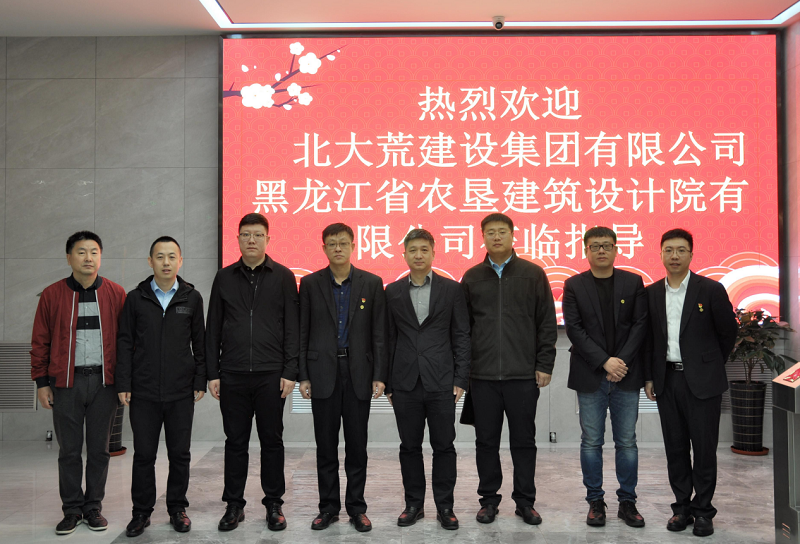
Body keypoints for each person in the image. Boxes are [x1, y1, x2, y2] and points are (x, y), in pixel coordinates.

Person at [460, 213, 558, 526]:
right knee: (486, 442)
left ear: (513, 235)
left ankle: (525, 502)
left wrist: (544, 364)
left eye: (502, 231)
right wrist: (464, 372)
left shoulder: (533, 274)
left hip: (522, 375)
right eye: (490, 232)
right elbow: (463, 329)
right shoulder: (472, 277)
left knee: (524, 442)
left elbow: (546, 322)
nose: (496, 237)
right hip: (483, 376)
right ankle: (488, 501)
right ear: (483, 237)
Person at [206, 213, 300, 532]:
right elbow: (213, 327)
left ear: (267, 239)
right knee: (235, 441)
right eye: (245, 234)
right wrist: (213, 372)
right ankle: (234, 505)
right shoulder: (224, 277)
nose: (251, 240)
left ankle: (274, 503)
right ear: (237, 239)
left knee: (272, 440)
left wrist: (290, 370)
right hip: (232, 373)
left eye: (258, 235)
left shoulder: (283, 276)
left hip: (271, 374)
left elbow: (292, 328)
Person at [30, 231, 127, 535]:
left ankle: (93, 507)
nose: (88, 258)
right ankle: (72, 510)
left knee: (99, 450)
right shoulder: (52, 295)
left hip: (104, 383)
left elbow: (127, 342)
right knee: (69, 451)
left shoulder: (116, 293)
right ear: (69, 257)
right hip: (66, 383)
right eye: (81, 252)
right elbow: (40, 341)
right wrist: (42, 382)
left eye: (94, 252)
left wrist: (125, 381)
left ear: (101, 257)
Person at [644, 228, 737, 537]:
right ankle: (682, 508)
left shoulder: (710, 289)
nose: (674, 256)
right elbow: (649, 340)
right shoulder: (651, 293)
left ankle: (703, 511)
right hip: (667, 380)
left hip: (703, 383)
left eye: (681, 250)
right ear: (660, 254)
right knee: (675, 448)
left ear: (691, 254)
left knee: (705, 448)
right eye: (669, 250)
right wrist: (649, 376)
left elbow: (727, 333)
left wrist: (707, 365)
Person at [297, 223, 387, 533]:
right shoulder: (310, 283)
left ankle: (357, 508)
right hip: (321, 372)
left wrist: (379, 374)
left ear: (353, 246)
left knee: (357, 446)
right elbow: (303, 331)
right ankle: (328, 508)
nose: (338, 248)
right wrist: (303, 375)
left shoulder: (371, 283)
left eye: (343, 243)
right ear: (323, 248)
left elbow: (379, 333)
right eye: (332, 243)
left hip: (358, 372)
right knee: (325, 446)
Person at [115, 236, 206, 537]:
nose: (166, 262)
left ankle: (177, 508)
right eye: (160, 256)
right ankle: (141, 512)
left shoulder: (192, 298)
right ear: (150, 261)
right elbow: (125, 342)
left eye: (171, 257)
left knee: (180, 454)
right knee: (144, 455)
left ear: (180, 261)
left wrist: (200, 379)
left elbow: (200, 343)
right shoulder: (135, 298)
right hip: (143, 391)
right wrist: (124, 382)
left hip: (181, 392)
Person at [562, 226, 648, 528]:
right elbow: (574, 329)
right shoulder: (574, 285)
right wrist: (604, 362)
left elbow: (640, 325)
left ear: (616, 249)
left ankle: (628, 502)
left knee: (627, 441)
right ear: (585, 250)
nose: (601, 250)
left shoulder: (633, 282)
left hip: (626, 373)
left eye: (607, 245)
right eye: (595, 246)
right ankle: (595, 501)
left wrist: (619, 362)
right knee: (591, 441)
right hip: (590, 374)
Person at [385, 229, 471, 530]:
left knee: (444, 446)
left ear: (433, 253)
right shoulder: (392, 291)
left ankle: (445, 506)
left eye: (424, 249)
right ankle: (414, 505)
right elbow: (387, 339)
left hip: (442, 381)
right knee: (409, 446)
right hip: (404, 382)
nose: (418, 255)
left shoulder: (452, 290)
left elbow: (461, 335)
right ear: (404, 255)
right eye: (413, 250)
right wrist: (388, 382)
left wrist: (461, 377)